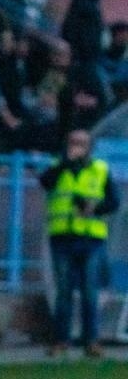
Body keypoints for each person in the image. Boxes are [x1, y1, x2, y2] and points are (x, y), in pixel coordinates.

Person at [40, 129, 119, 357]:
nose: (77, 147)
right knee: (63, 291)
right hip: (62, 236)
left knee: (89, 291)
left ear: (90, 147)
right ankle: (60, 340)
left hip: (90, 237)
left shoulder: (100, 170)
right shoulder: (57, 166)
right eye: (73, 142)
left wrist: (94, 208)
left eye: (82, 143)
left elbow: (114, 202)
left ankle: (90, 341)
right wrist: (65, 164)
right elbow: (46, 183)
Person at [61, 0, 108, 73]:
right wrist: (74, 51)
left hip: (84, 58)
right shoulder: (83, 2)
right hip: (76, 56)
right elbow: (72, 25)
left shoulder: (93, 3)